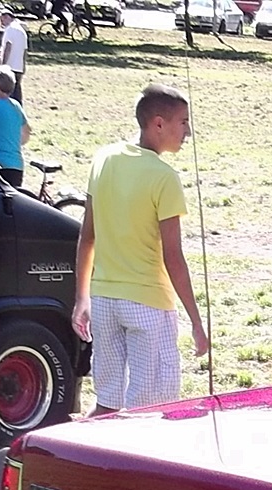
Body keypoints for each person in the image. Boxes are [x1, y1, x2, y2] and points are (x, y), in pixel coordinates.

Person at [72, 84, 210, 414]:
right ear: (158, 124)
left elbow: (87, 235)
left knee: (105, 403)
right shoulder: (164, 177)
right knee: (148, 411)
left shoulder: (103, 158)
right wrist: (196, 320)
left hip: (104, 302)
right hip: (148, 305)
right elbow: (172, 256)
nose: (187, 132)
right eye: (183, 122)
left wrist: (82, 297)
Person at [0, 8, 26, 104]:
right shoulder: (21, 31)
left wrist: (2, 65)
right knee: (17, 92)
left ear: (7, 17)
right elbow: (22, 50)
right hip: (19, 67)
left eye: (2, 19)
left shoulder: (10, 29)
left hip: (10, 66)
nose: (1, 22)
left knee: (7, 93)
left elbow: (8, 47)